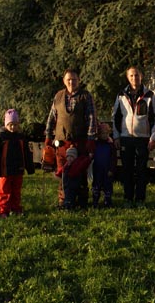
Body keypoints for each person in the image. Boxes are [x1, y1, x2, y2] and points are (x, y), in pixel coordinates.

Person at [44, 68, 97, 209]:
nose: (71, 82)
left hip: (80, 141)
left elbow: (91, 119)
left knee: (80, 171)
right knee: (62, 172)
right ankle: (64, 200)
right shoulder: (58, 96)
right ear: (64, 81)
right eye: (68, 79)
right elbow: (52, 117)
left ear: (78, 80)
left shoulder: (85, 97)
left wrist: (91, 139)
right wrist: (48, 137)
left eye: (74, 79)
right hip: (61, 142)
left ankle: (82, 200)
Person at [112, 66, 155, 207]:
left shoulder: (150, 95)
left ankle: (140, 199)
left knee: (141, 171)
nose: (134, 78)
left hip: (143, 139)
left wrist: (153, 138)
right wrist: (116, 137)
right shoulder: (121, 95)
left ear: (141, 76)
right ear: (128, 77)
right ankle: (128, 198)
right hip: (126, 138)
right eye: (132, 76)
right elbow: (115, 116)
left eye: (137, 75)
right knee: (126, 170)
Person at [0, 109, 35, 218]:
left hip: (18, 169)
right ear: (6, 124)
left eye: (15, 124)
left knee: (16, 191)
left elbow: (27, 153)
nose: (13, 127)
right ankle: (3, 210)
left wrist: (30, 167)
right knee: (4, 191)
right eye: (10, 125)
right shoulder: (1, 137)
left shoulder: (21, 138)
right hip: (4, 170)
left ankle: (15, 208)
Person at [92, 122, 117, 208]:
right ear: (99, 134)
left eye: (107, 133)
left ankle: (108, 201)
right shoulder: (96, 144)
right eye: (102, 133)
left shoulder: (110, 145)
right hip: (97, 169)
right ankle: (95, 201)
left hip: (107, 169)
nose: (105, 135)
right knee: (96, 185)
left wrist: (111, 169)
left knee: (108, 186)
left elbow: (114, 158)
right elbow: (92, 156)